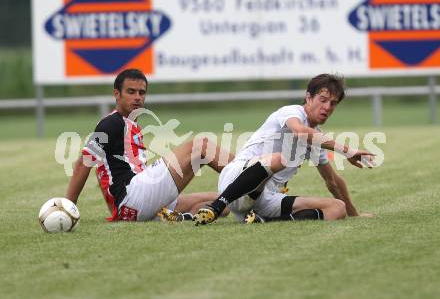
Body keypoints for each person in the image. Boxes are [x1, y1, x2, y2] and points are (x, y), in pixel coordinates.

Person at [193, 74, 374, 225]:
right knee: (279, 159)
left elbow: (333, 181)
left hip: (262, 201)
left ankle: (262, 220)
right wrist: (347, 150)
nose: (327, 107)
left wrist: (353, 213)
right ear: (309, 97)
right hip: (234, 182)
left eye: (333, 103)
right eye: (323, 100)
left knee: (336, 208)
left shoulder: (317, 137)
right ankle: (215, 207)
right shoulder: (291, 112)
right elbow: (301, 132)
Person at [66, 68, 233, 222]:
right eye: (131, 92)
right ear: (117, 94)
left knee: (222, 202)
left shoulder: (128, 124)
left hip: (136, 206)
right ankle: (250, 177)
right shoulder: (111, 123)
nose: (137, 97)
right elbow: (83, 163)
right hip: (132, 197)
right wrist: (68, 208)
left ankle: (182, 218)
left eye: (141, 92)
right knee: (200, 146)